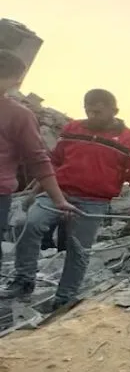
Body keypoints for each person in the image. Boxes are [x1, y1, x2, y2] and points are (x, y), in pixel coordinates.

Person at [3, 89, 130, 313]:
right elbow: (53, 162)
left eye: (97, 111)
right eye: (88, 110)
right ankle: (24, 281)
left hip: (93, 201)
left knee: (78, 249)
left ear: (114, 111)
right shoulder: (72, 129)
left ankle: (65, 297)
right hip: (58, 193)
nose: (92, 116)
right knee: (28, 224)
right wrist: (34, 193)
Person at [0, 51, 78, 328]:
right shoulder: (19, 115)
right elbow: (39, 161)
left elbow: (39, 161)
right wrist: (58, 199)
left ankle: (22, 281)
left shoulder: (18, 114)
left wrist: (54, 199)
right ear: (18, 79)